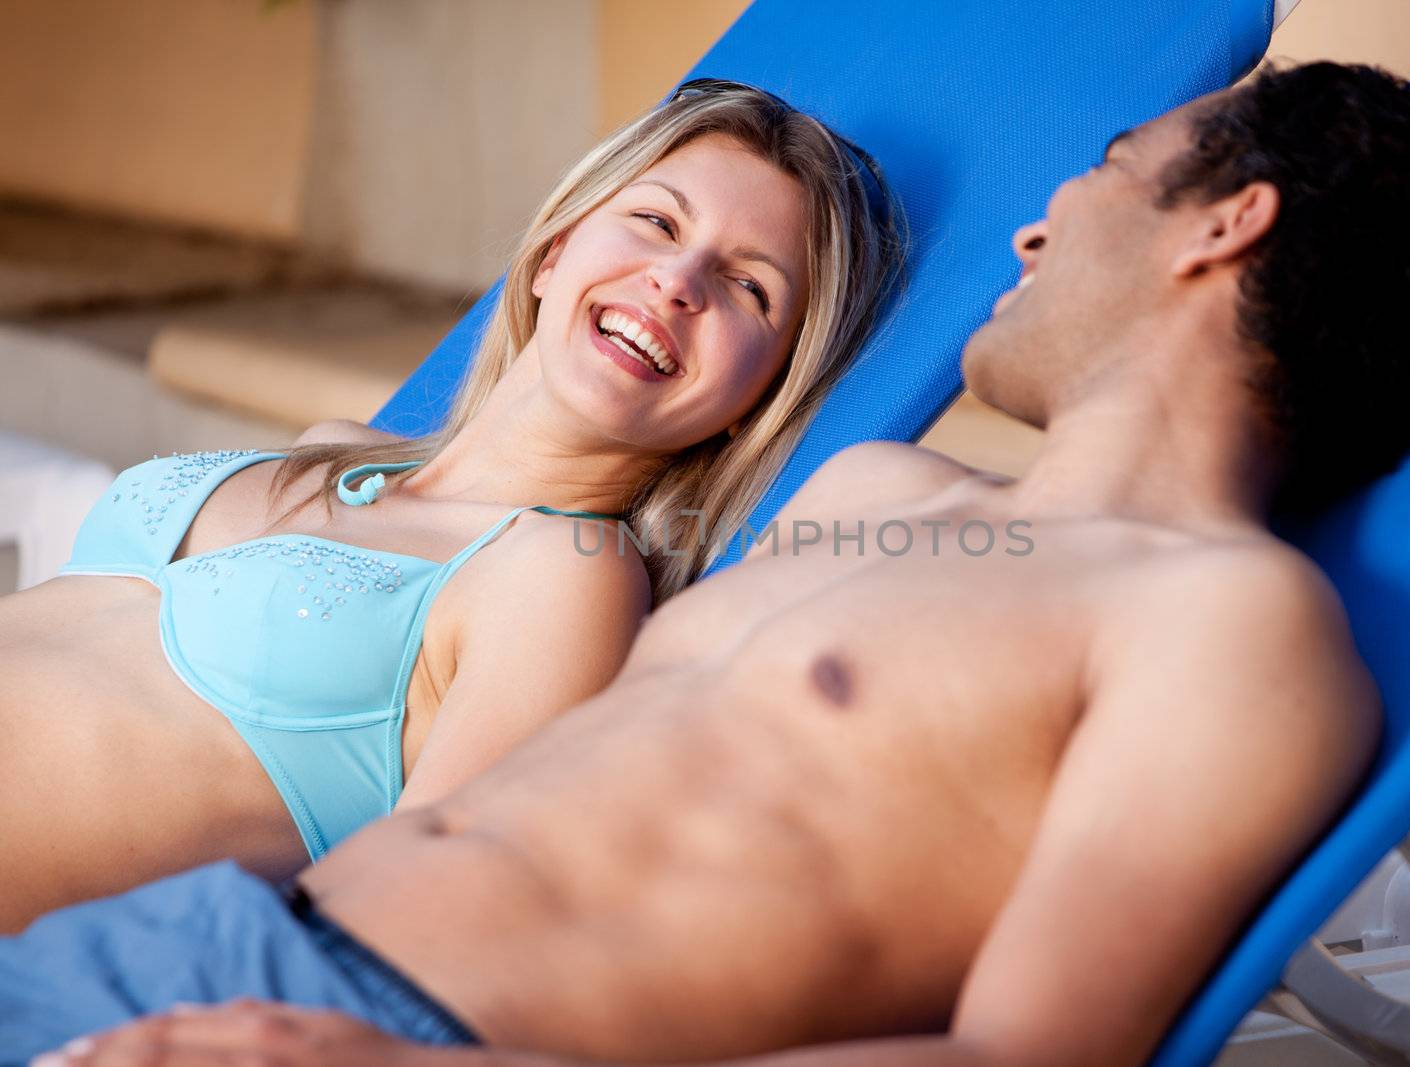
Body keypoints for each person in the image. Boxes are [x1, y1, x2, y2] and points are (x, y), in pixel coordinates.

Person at [9, 62, 1410, 1067]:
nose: (1031, 231)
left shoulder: (1226, 624)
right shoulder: (873, 490)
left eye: (1112, 167)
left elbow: (1030, 1056)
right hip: (204, 947)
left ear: (1226, 224)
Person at [0, 80, 902, 931]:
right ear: (556, 253)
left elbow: (412, 911)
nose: (678, 280)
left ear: (760, 393)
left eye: (750, 287)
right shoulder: (330, 444)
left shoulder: (559, 576)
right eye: (656, 222)